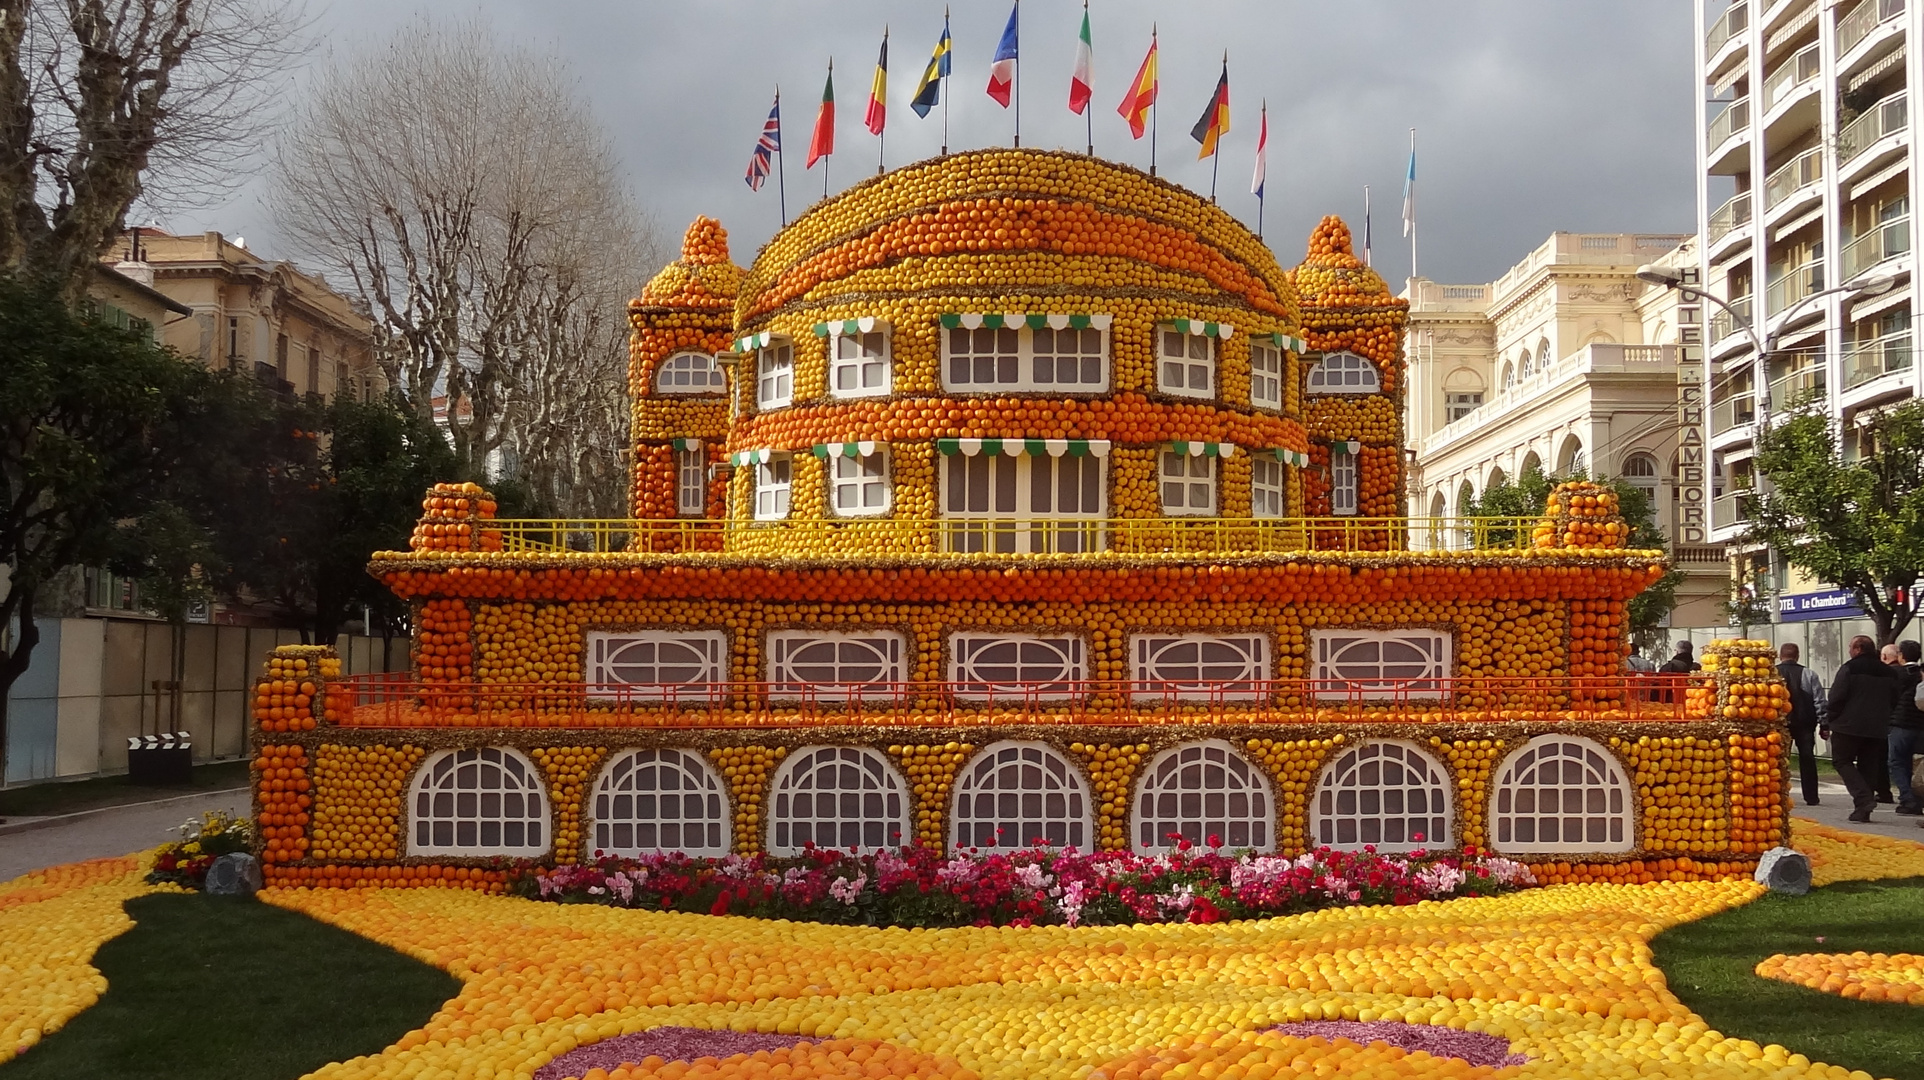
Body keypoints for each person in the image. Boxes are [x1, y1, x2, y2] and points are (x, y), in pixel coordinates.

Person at [1827, 635, 1901, 822]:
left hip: (1848, 725)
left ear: (1858, 649)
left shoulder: (1850, 668)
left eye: (1851, 647)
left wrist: (1830, 719)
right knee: (1869, 766)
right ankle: (1863, 810)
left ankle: (1863, 798)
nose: (1849, 650)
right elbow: (1895, 698)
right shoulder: (1889, 673)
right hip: (1877, 727)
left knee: (1841, 760)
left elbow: (1837, 696)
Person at [1778, 643, 1827, 807]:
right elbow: (1819, 701)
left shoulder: (1772, 674)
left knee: (1778, 760)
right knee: (1807, 758)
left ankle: (1778, 794)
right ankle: (1811, 796)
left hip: (1779, 724)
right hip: (1805, 723)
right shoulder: (1808, 674)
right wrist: (1824, 723)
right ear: (1797, 656)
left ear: (1780, 656)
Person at [1891, 640, 1924, 816]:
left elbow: (1891, 697)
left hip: (1901, 723)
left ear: (1901, 656)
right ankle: (1919, 797)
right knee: (1918, 764)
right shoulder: (1921, 673)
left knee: (1897, 761)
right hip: (1920, 724)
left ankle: (1908, 799)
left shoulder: (1897, 673)